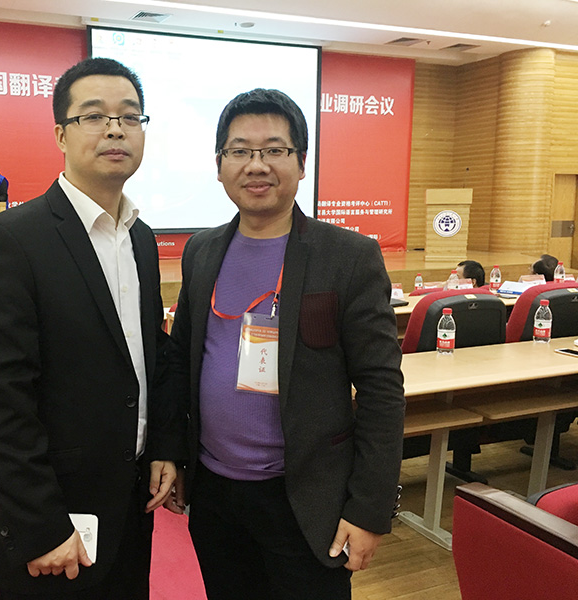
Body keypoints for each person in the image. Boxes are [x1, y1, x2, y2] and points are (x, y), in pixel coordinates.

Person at [167, 88, 406, 600]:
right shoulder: (202, 251)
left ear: (301, 162)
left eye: (274, 149)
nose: (257, 165)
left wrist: (369, 510)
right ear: (219, 165)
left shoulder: (347, 256)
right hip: (215, 495)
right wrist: (176, 455)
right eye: (240, 151)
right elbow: (181, 361)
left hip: (306, 499)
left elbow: (382, 390)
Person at [0, 57, 183, 600]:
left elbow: (149, 352)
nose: (115, 129)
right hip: (55, 521)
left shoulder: (140, 238)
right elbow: (0, 401)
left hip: (131, 504)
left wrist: (164, 445)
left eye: (129, 117)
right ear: (61, 134)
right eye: (94, 116)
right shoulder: (10, 241)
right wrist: (40, 525)